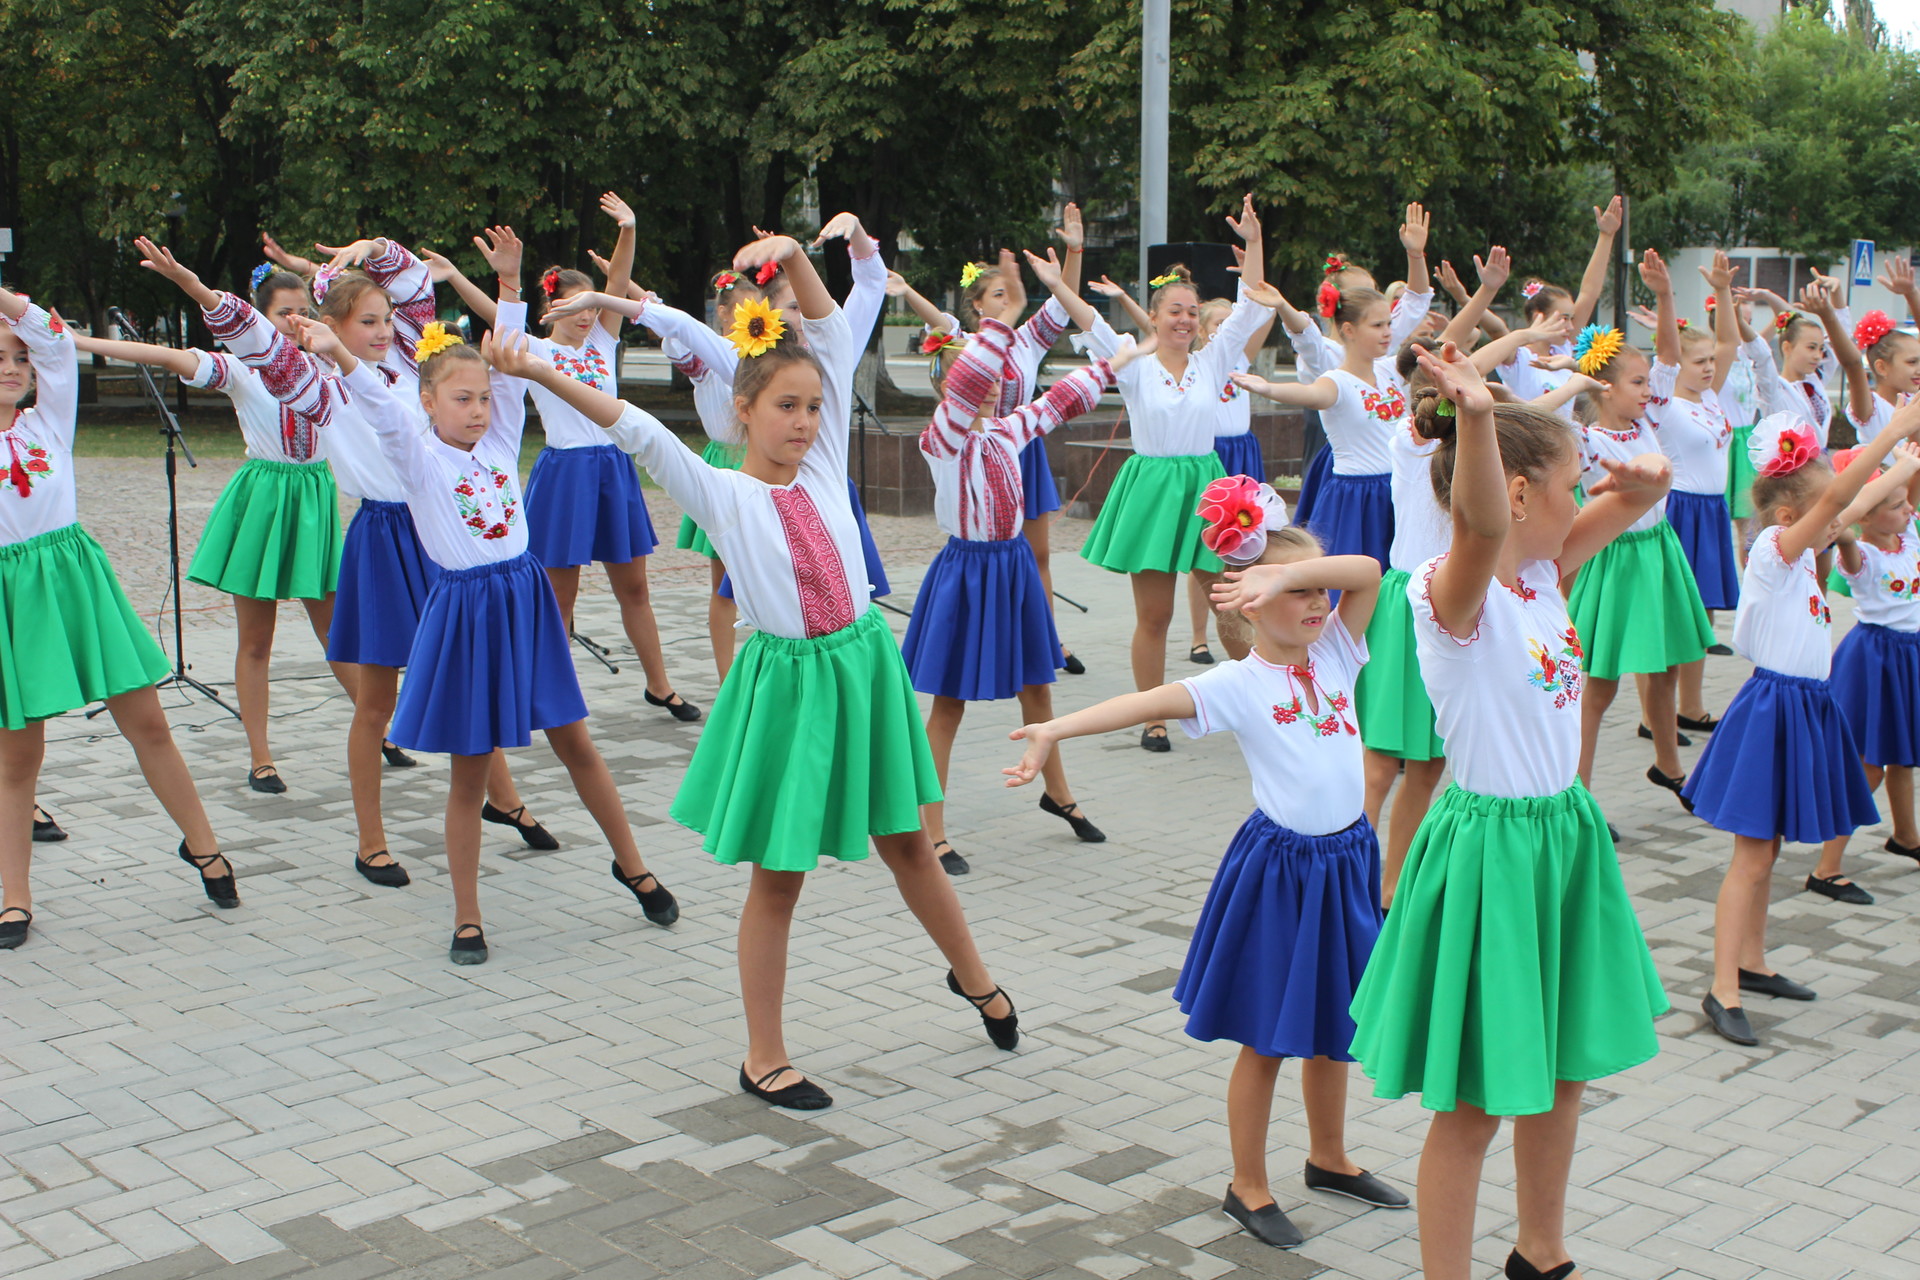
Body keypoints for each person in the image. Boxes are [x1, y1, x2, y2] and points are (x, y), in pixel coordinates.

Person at [496, 232, 1018, 1109]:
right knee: (778, 876)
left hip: (864, 666)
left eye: (812, 406)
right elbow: (635, 429)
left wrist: (795, 256)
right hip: (790, 688)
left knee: (907, 842)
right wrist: (544, 371)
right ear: (744, 410)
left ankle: (975, 978)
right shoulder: (723, 493)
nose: (804, 421)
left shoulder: (823, 459)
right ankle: (764, 1056)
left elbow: (827, 328)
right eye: (785, 407)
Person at [1004, 495, 1408, 1250]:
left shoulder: (1337, 651)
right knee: (1268, 1036)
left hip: (1348, 860)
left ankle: (1329, 1158)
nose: (1318, 601)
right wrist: (1055, 727)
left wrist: (1290, 571)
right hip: (1283, 873)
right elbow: (1143, 702)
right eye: (1296, 590)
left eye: (1318, 588)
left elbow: (1369, 572)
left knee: (1338, 1021)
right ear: (1250, 605)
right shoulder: (1238, 683)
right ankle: (1246, 1186)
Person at [1347, 343, 1671, 1280]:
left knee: (1564, 1072)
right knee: (1474, 1105)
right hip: (1490, 852)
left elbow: (1633, 503)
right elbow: (1481, 524)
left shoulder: (1539, 577)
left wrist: (1647, 481)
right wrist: (1480, 418)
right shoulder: (1451, 597)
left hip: (1562, 837)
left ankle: (1542, 1250)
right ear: (1520, 493)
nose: (1581, 495)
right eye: (1568, 483)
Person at [140, 236, 557, 883]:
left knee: (467, 673)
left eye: (387, 319)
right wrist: (196, 288)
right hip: (384, 542)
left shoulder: (414, 363)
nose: (385, 330)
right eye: (368, 321)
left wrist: (377, 248)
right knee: (375, 701)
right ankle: (370, 842)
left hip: (442, 534)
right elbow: (257, 343)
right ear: (332, 327)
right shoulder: (320, 386)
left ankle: (503, 799)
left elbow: (416, 285)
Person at [300, 305, 679, 964]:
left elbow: (507, 369)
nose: (478, 409)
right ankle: (468, 916)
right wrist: (338, 352)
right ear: (428, 403)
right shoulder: (417, 459)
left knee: (577, 744)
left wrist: (509, 284)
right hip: (467, 613)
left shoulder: (500, 441)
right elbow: (381, 408)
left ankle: (633, 864)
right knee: (469, 772)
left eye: (482, 398)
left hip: (525, 599)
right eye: (461, 399)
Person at [0, 286, 236, 950]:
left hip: (75, 584)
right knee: (18, 757)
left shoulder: (49, 420)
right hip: (9, 601)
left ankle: (204, 844)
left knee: (148, 723)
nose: (13, 367)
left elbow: (53, 340)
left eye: (19, 358)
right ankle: (15, 895)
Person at [1684, 408, 1920, 1045]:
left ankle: (1752, 962)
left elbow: (1852, 502)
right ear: (1789, 517)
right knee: (1751, 855)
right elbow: (1843, 498)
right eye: (1822, 514)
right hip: (1774, 708)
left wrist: (1905, 462)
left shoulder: (1802, 554)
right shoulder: (1772, 550)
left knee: (1770, 848)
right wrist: (1891, 434)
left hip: (1806, 705)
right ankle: (1722, 987)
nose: (1834, 524)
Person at [904, 249, 1127, 874]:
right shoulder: (941, 439)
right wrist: (1002, 321)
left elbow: (1057, 404)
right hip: (966, 573)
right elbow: (969, 383)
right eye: (972, 382)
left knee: (1037, 687)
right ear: (947, 389)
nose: (987, 388)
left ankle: (1059, 794)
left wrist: (1117, 364)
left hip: (1013, 569)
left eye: (992, 381)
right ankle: (929, 830)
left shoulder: (1004, 430)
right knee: (949, 703)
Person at [1077, 196, 1276, 752]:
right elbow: (1087, 318)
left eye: (1192, 311)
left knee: (1232, 603)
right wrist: (1069, 261)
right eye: (1175, 311)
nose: (1186, 319)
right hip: (1154, 488)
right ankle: (1153, 716)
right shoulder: (1134, 363)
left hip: (1208, 487)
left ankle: (1262, 705)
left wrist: (1255, 242)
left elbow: (1252, 303)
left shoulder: (1213, 360)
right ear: (1155, 317)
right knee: (1155, 614)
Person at [165, 260, 353, 795]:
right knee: (255, 639)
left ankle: (378, 726)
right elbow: (182, 360)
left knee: (337, 629)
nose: (295, 321)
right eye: (283, 312)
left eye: (302, 311)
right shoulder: (243, 368)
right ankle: (260, 757)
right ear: (260, 317)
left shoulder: (328, 365)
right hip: (264, 500)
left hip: (314, 496)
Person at [893, 207, 1090, 674]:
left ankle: (1047, 641)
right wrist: (905, 291)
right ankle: (988, 639)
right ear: (978, 305)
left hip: (1019, 446)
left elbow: (1063, 302)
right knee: (987, 550)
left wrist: (1075, 250)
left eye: (1010, 292)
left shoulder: (1027, 339)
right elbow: (940, 322)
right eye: (998, 294)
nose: (1008, 299)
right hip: (972, 455)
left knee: (1036, 553)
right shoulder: (967, 344)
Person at [1561, 326, 1713, 824]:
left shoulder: (1650, 419)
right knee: (1600, 685)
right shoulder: (1587, 440)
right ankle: (1578, 796)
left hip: (1658, 551)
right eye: (1637, 382)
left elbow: (1670, 354)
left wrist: (1666, 296)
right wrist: (1570, 380)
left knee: (1665, 668)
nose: (1648, 390)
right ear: (1605, 389)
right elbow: (1541, 418)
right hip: (1616, 559)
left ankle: (1669, 765)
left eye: (1648, 381)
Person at [1642, 248, 1742, 724]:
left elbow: (1730, 342)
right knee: (1672, 615)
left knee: (1702, 614)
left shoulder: (1710, 397)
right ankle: (1653, 714)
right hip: (1681, 510)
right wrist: (1666, 297)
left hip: (1712, 510)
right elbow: (1666, 353)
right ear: (1677, 365)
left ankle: (1691, 707)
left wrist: (1722, 291)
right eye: (1697, 361)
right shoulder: (1664, 406)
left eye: (1710, 361)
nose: (1708, 367)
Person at [1824, 443, 1920, 875]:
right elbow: (1840, 529)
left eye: (1905, 502)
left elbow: (1909, 491)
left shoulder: (1908, 534)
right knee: (1870, 767)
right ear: (1866, 515)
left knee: (1903, 756)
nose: (1908, 509)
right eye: (1896, 506)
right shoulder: (1862, 555)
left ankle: (1906, 837)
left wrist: (1905, 460)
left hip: (1909, 654)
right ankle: (1826, 868)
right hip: (1875, 661)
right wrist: (1848, 504)